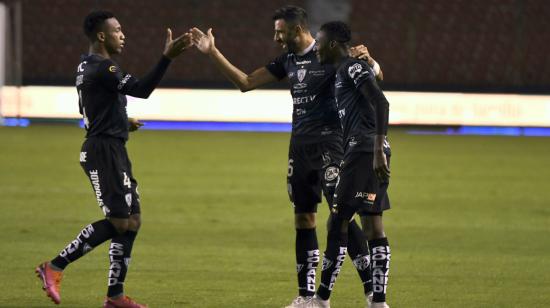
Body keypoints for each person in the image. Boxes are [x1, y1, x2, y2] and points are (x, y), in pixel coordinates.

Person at [189, 6, 383, 307]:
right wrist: (213, 52)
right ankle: (306, 297)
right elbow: (245, 82)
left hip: (333, 145)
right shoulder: (288, 61)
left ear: (296, 30)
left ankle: (371, 289)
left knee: (341, 215)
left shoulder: (329, 53)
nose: (275, 37)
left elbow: (373, 74)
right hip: (300, 148)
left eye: (279, 31)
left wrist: (371, 60)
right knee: (304, 219)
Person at [35, 10, 191, 308]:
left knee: (132, 220)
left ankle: (115, 296)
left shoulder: (86, 65)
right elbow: (142, 89)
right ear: (102, 36)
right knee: (119, 221)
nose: (124, 35)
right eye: (118, 30)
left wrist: (122, 121)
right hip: (102, 152)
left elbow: (95, 105)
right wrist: (167, 57)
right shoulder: (104, 68)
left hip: (113, 146)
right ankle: (54, 266)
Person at [301, 21, 392, 308]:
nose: (315, 48)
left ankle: (322, 299)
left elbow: (381, 103)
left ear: (330, 44)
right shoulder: (346, 69)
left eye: (318, 42)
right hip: (369, 150)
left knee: (337, 221)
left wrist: (377, 150)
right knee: (372, 225)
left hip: (364, 150)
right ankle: (378, 302)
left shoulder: (351, 68)